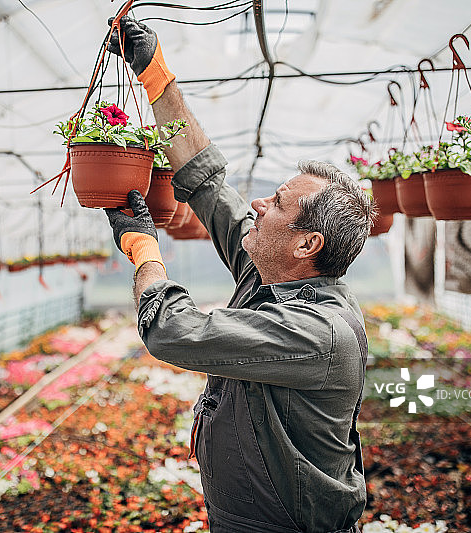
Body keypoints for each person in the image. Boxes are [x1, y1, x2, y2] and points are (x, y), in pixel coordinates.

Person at [104, 17, 373, 533]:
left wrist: (143, 247)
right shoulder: (271, 274)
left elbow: (172, 330)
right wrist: (155, 74)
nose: (257, 204)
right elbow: (207, 183)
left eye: (275, 203)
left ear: (307, 243)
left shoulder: (319, 333)